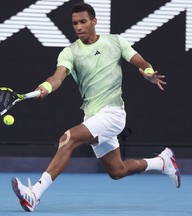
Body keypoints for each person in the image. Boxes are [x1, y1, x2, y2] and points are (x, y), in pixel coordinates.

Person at [11, 2, 181, 212]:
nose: (79, 27)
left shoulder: (115, 42)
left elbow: (141, 62)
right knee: (117, 170)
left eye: (83, 22)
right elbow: (58, 77)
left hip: (113, 113)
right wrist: (46, 87)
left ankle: (35, 193)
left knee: (68, 138)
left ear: (94, 21)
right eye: (75, 23)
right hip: (92, 116)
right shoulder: (70, 52)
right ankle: (162, 162)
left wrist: (148, 73)